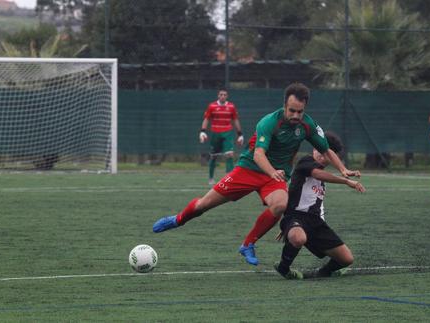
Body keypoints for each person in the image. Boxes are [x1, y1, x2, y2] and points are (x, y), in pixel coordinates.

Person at [153, 83, 361, 266]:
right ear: (284, 106)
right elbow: (259, 154)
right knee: (203, 205)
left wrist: (343, 169)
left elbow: (326, 149)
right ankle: (178, 219)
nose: (296, 116)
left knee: (280, 204)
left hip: (274, 178)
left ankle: (248, 244)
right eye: (292, 111)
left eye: (300, 111)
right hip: (249, 170)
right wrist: (272, 171)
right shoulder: (269, 122)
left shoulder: (308, 125)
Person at [274, 132, 365, 280]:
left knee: (347, 259)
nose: (321, 155)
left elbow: (315, 203)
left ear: (333, 157)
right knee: (298, 238)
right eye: (318, 150)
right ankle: (284, 268)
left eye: (326, 153)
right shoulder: (306, 162)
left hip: (315, 222)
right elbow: (317, 174)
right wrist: (346, 181)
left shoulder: (322, 180)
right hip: (296, 217)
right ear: (313, 149)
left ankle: (324, 271)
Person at [199, 89, 244, 185]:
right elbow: (206, 119)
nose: (223, 96)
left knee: (230, 155)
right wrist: (202, 131)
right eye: (221, 94)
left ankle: (229, 179)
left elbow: (235, 120)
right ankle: (211, 178)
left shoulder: (231, 106)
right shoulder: (212, 106)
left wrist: (240, 134)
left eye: (224, 94)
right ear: (218, 96)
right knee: (213, 156)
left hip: (227, 133)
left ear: (227, 96)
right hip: (215, 133)